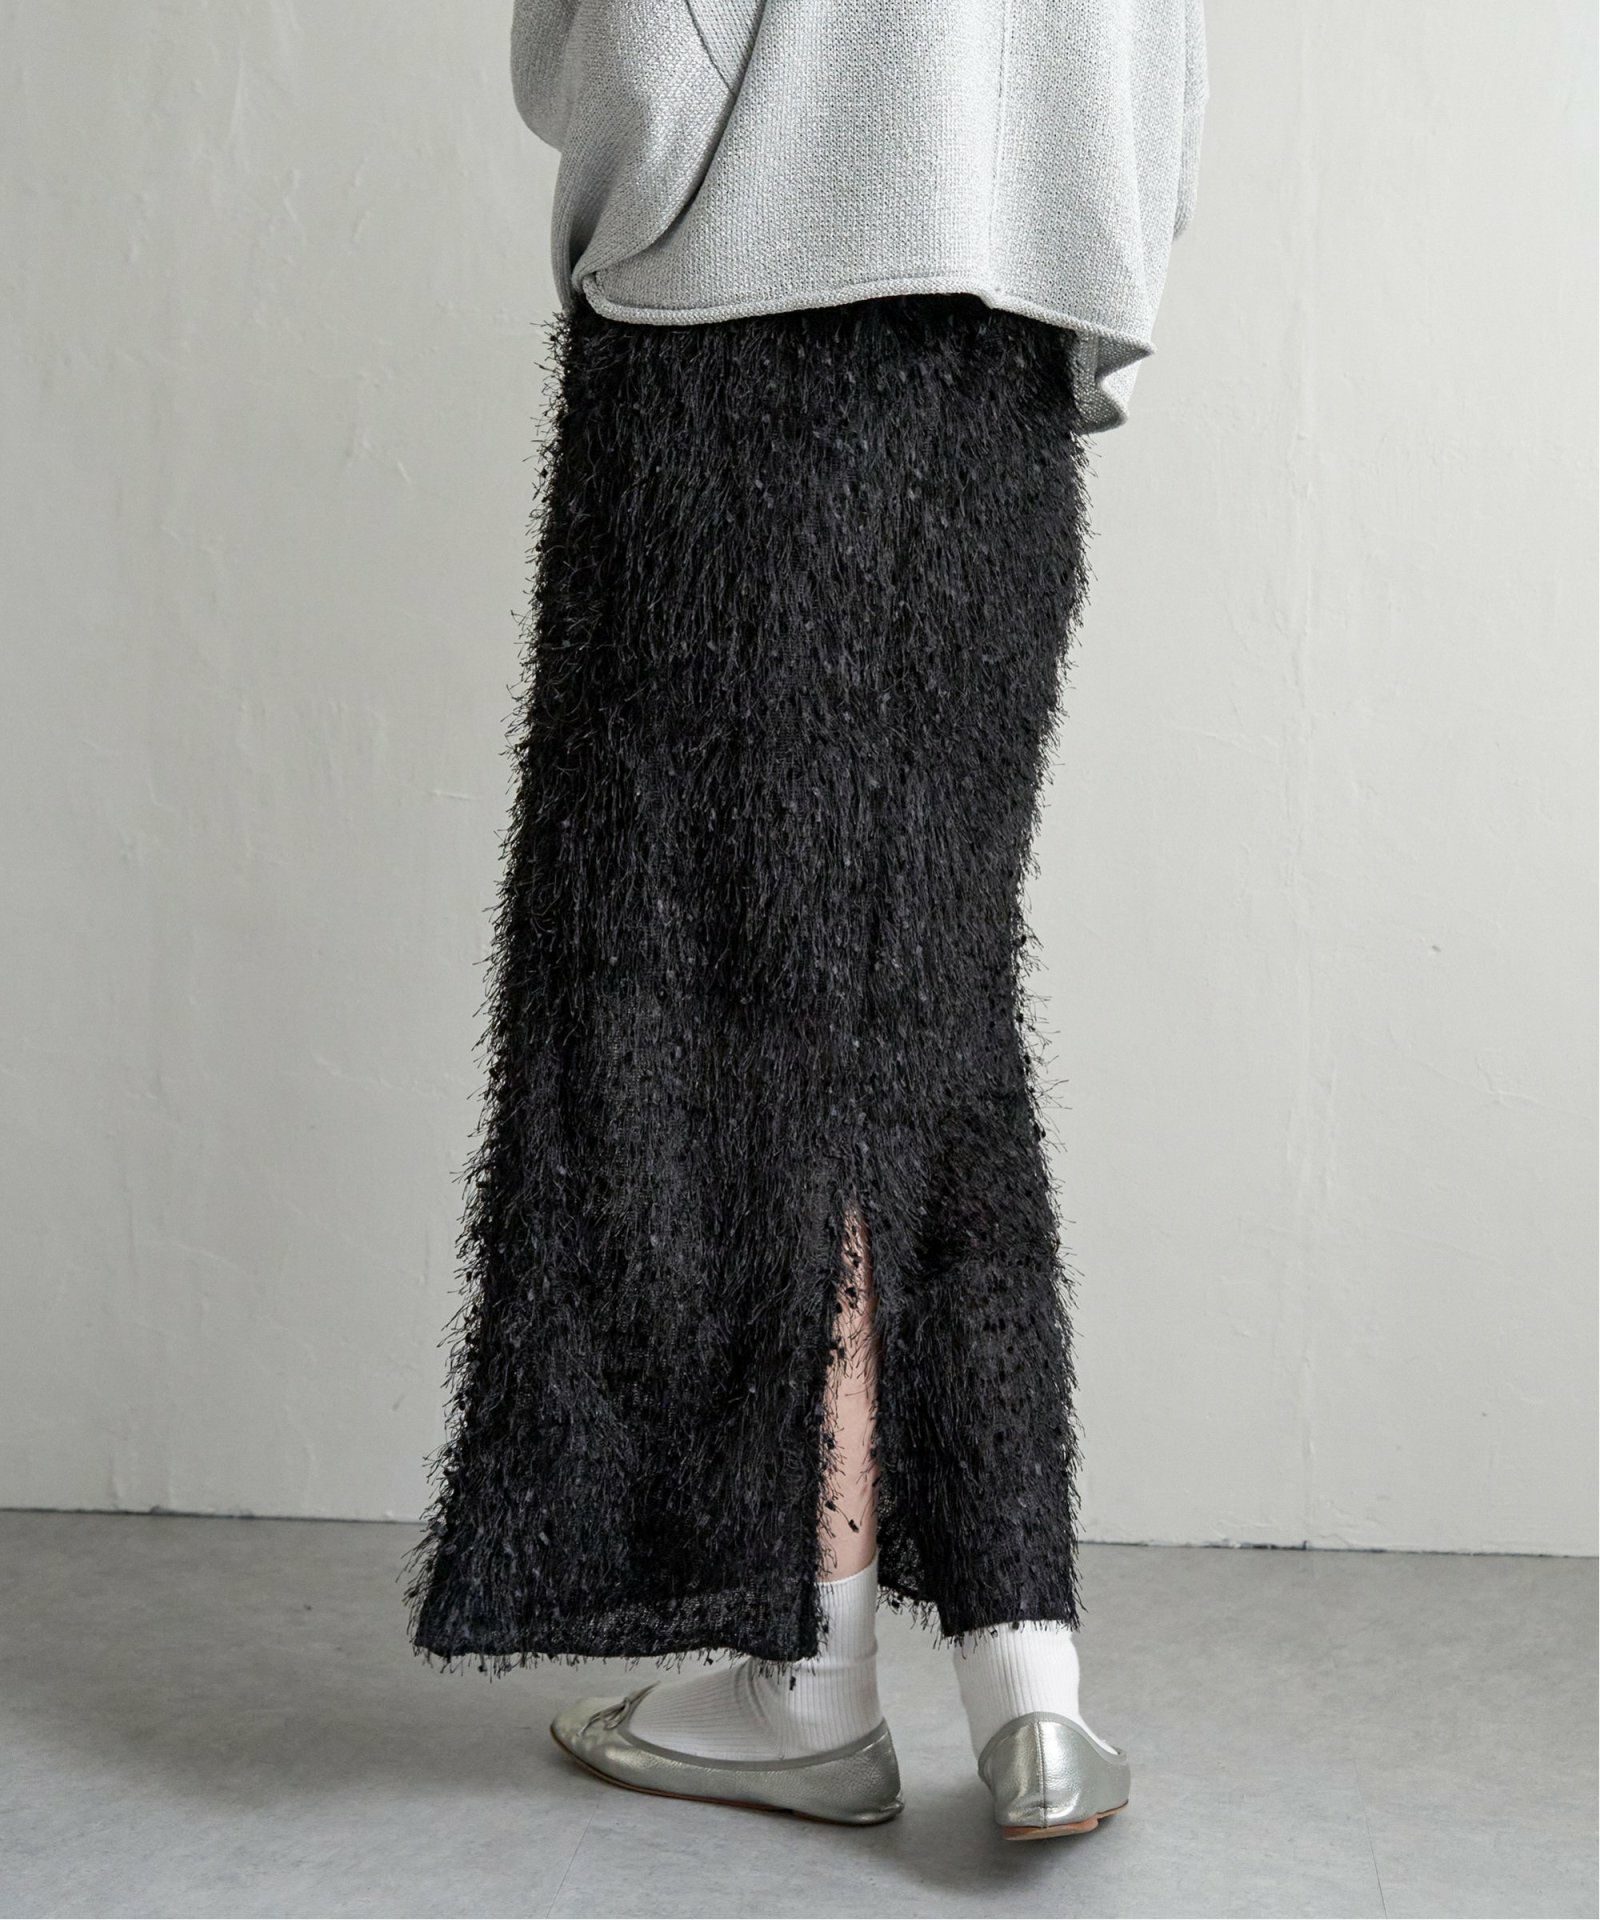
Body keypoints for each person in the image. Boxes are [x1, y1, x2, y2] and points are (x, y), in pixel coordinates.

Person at [410, 0, 1206, 1842]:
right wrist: (1065, 237)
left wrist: (666, 204)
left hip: (745, 319)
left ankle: (809, 1677)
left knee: (708, 999)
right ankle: (1027, 1674)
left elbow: (633, 43)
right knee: (925, 989)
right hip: (1012, 358)